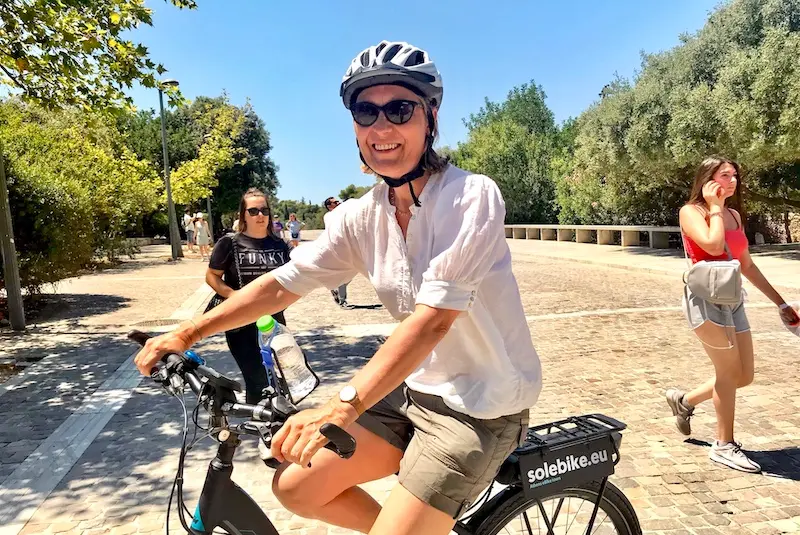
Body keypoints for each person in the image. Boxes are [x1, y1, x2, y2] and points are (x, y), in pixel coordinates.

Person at [135, 40, 541, 535]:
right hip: (411, 393)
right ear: (353, 124)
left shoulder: (470, 197)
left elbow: (433, 319)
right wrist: (187, 333)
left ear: (430, 116)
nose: (382, 126)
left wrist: (340, 406)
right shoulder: (360, 216)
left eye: (400, 108)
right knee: (295, 485)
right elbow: (282, 286)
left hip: (480, 406)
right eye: (366, 111)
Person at [666, 156, 800, 473]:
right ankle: (723, 445)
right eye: (724, 175)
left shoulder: (734, 216)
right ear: (707, 180)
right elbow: (712, 247)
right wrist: (714, 206)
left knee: (744, 375)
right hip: (705, 300)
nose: (732, 180)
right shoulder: (691, 212)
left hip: (734, 298)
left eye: (735, 175)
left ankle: (685, 401)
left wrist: (781, 304)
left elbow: (747, 265)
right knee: (728, 372)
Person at [205, 188, 292, 405]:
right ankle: (263, 425)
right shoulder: (230, 242)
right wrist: (234, 296)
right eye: (253, 211)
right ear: (243, 215)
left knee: (280, 377)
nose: (260, 215)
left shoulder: (280, 245)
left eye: (264, 210)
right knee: (257, 379)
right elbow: (212, 276)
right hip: (240, 322)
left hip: (273, 322)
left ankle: (273, 420)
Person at [323, 196, 353, 309]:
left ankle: (336, 289)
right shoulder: (329, 216)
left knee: (351, 274)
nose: (338, 203)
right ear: (329, 206)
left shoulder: (342, 213)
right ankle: (342, 300)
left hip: (347, 246)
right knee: (344, 273)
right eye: (335, 202)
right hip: (337, 248)